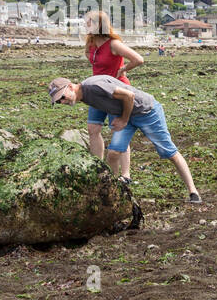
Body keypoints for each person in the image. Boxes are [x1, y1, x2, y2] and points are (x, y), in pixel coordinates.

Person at [47, 75, 201, 203]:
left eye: (62, 97)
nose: (62, 102)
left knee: (169, 153)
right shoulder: (84, 96)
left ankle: (193, 191)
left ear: (71, 87)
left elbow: (129, 96)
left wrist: (124, 120)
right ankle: (114, 193)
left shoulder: (93, 86)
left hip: (146, 112)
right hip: (125, 116)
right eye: (59, 101)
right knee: (113, 153)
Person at [83, 10, 144, 177]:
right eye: (86, 22)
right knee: (92, 128)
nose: (86, 25)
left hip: (116, 92)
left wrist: (123, 69)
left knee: (118, 130)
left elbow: (138, 59)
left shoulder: (113, 44)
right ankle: (99, 169)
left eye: (90, 22)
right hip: (97, 91)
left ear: (100, 25)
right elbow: (92, 59)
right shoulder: (91, 45)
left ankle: (125, 175)